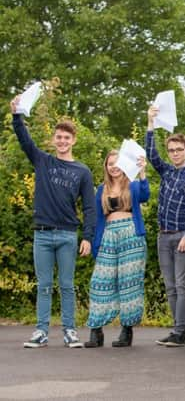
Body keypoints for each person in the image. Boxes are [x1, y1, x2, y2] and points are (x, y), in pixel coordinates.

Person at [11, 95, 96, 349]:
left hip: (68, 235)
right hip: (43, 234)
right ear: (54, 139)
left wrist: (88, 237)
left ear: (73, 141)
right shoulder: (43, 161)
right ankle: (41, 331)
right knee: (44, 285)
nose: (62, 141)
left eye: (67, 138)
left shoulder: (82, 171)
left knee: (67, 285)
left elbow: (90, 207)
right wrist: (17, 115)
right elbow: (24, 140)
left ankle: (70, 331)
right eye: (59, 137)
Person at [145, 106, 185, 347]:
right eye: (171, 150)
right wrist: (150, 123)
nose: (175, 153)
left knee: (182, 284)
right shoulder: (166, 171)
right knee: (170, 286)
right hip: (163, 235)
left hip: (181, 235)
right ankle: (178, 329)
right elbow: (151, 155)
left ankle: (181, 331)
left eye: (179, 149)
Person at [85, 151, 149, 348]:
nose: (113, 167)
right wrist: (94, 242)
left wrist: (143, 172)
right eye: (110, 164)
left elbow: (145, 195)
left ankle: (126, 330)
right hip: (109, 235)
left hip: (131, 235)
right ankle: (96, 331)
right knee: (99, 281)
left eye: (117, 163)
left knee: (128, 282)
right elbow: (97, 218)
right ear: (106, 166)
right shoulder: (101, 190)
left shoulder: (133, 186)